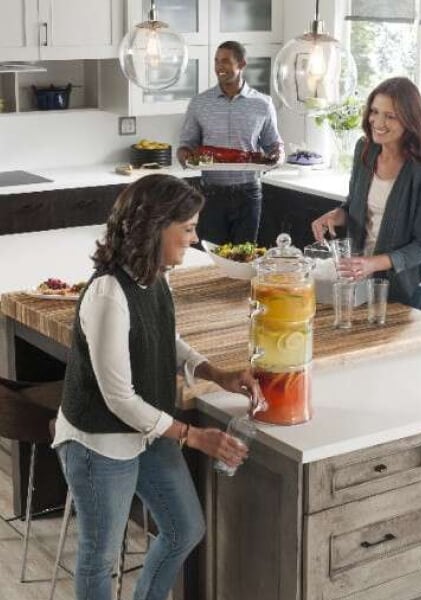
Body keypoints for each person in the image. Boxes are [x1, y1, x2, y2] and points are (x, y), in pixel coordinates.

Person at [53, 174, 260, 600]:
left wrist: (215, 372)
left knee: (185, 528)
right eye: (187, 228)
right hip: (99, 444)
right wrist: (193, 435)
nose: (195, 237)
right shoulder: (108, 293)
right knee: (100, 557)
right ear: (156, 226)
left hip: (147, 431)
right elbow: (119, 399)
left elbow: (164, 338)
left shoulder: (154, 276)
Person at [310, 77, 421, 309]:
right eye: (375, 111)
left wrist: (373, 263)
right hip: (356, 280)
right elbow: (353, 204)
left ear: (410, 121)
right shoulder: (365, 150)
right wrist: (335, 216)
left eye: (390, 116)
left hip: (402, 291)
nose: (378, 121)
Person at [177, 40, 283, 245]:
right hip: (211, 194)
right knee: (210, 259)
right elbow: (186, 145)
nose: (219, 67)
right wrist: (185, 156)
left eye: (225, 61)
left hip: (249, 193)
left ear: (242, 64)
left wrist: (278, 154)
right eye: (216, 61)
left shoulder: (263, 103)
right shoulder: (199, 103)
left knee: (243, 257)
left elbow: (274, 145)